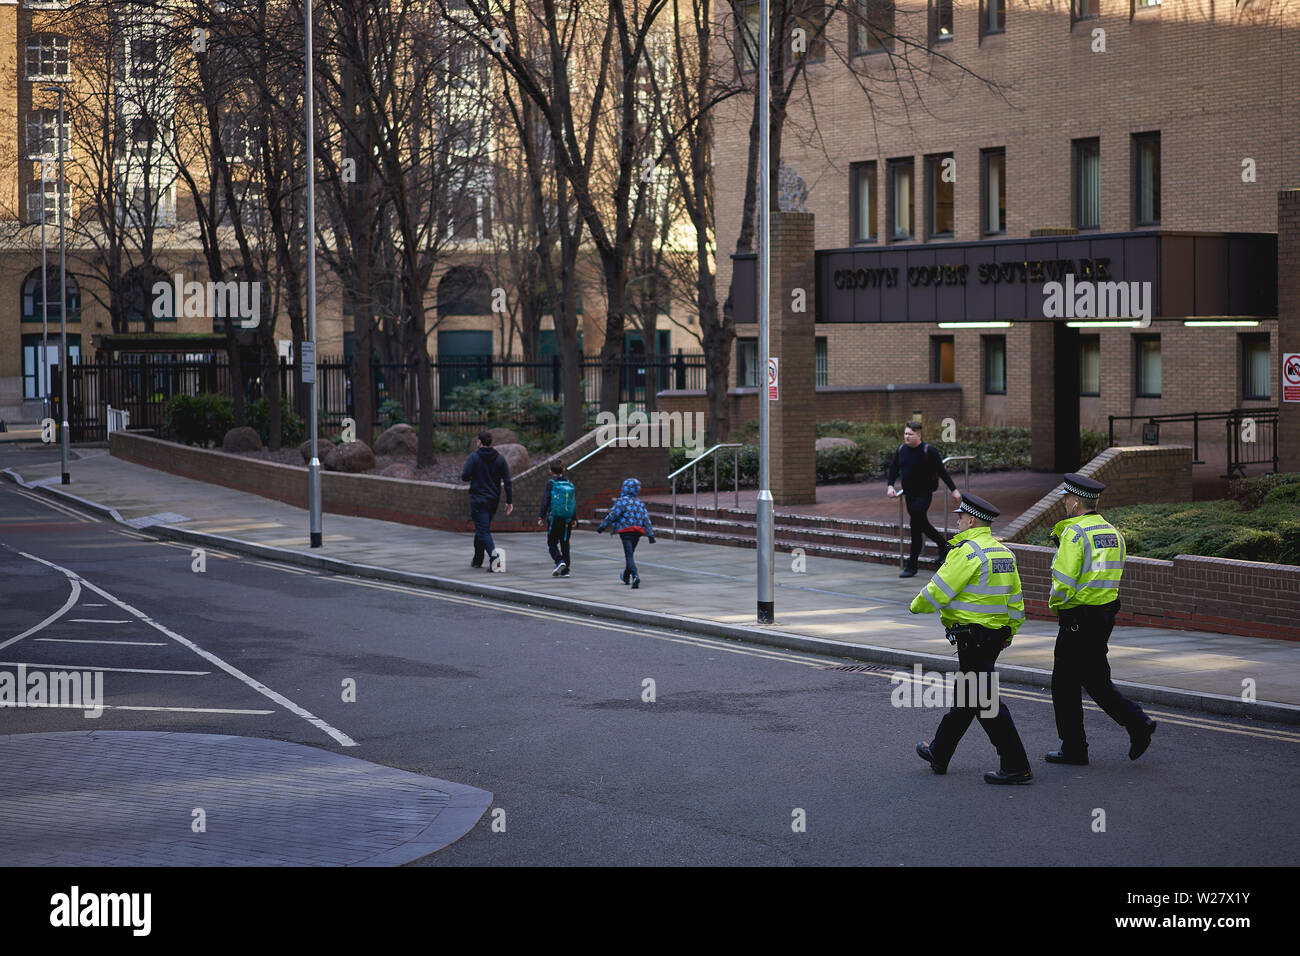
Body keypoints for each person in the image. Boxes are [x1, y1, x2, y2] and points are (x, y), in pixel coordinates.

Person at [911, 492, 1033, 785]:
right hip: (994, 637)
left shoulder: (967, 553)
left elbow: (938, 590)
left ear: (972, 519)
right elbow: (1016, 600)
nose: (958, 520)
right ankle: (939, 753)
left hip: (973, 638)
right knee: (969, 698)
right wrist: (1011, 632)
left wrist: (916, 606)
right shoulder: (1004, 553)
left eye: (960, 517)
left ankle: (1017, 765)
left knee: (986, 702)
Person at [1044, 473, 1157, 765]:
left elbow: (1064, 580)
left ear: (1077, 501)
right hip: (1104, 614)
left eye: (1067, 498)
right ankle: (1130, 725)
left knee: (1065, 685)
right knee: (1093, 678)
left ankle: (1082, 745)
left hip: (1077, 617)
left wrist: (1057, 606)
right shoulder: (1113, 532)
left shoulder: (1075, 533)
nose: (1065, 503)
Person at [886, 421, 961, 578]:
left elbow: (942, 471)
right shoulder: (901, 450)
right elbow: (893, 468)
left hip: (924, 494)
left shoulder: (929, 451)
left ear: (918, 435)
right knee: (922, 524)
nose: (907, 436)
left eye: (910, 434)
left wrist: (954, 490)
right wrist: (890, 485)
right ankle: (944, 546)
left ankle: (912, 565)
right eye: (905, 433)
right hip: (909, 494)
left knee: (915, 525)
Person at [460, 430, 513, 571]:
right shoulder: (500, 458)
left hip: (478, 499)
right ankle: (477, 559)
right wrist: (509, 501)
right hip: (493, 500)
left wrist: (474, 475)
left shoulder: (474, 458)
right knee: (481, 529)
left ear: (479, 442)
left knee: (483, 531)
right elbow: (507, 481)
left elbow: (465, 476)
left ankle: (495, 559)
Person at [596, 477, 655, 589]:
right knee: (630, 554)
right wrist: (650, 534)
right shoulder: (639, 503)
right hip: (637, 531)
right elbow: (646, 519)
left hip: (626, 531)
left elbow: (612, 515)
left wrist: (602, 527)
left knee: (629, 555)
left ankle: (635, 575)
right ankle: (626, 576)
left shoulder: (621, 501)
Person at [537, 460, 576, 577]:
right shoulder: (569, 483)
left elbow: (546, 500)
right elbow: (572, 502)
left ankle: (559, 561)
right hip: (567, 519)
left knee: (552, 543)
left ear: (550, 471)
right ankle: (566, 570)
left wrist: (541, 516)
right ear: (563, 469)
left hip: (554, 518)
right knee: (565, 543)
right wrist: (574, 518)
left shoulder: (551, 483)